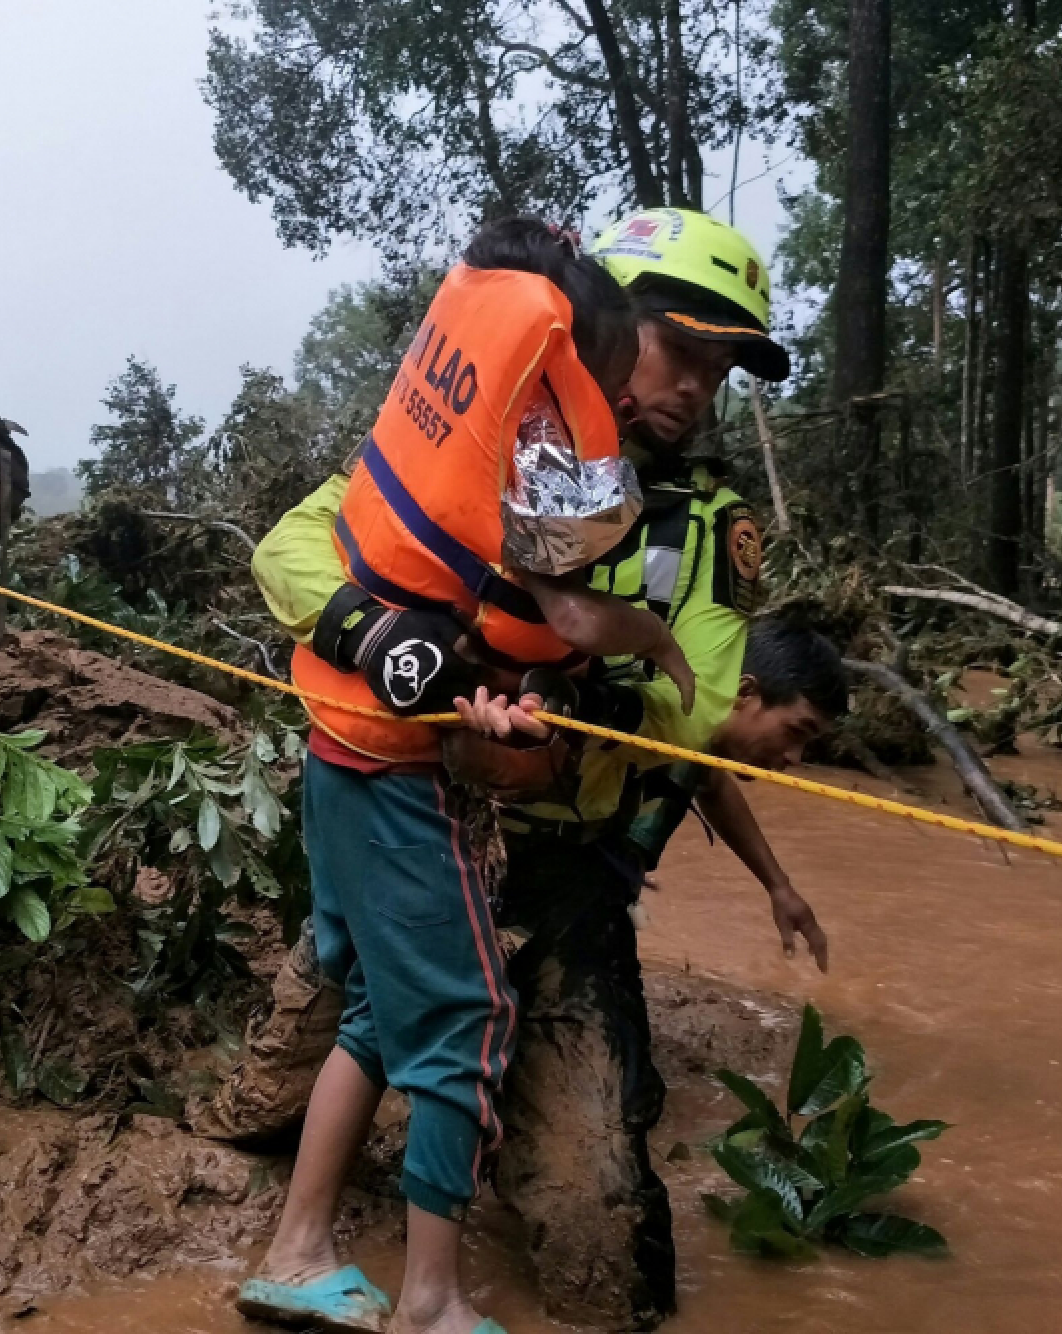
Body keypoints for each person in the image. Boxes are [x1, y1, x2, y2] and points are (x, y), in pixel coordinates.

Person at [248, 207, 823, 1330]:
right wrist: (382, 635)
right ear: (598, 326)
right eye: (679, 348)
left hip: (560, 869)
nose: (697, 387)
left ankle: (395, 1250)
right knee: (281, 1067)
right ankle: (322, 1244)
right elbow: (294, 547)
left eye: (720, 368)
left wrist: (563, 700)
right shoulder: (473, 430)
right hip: (411, 793)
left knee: (604, 1245)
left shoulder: (709, 529)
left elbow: (695, 705)